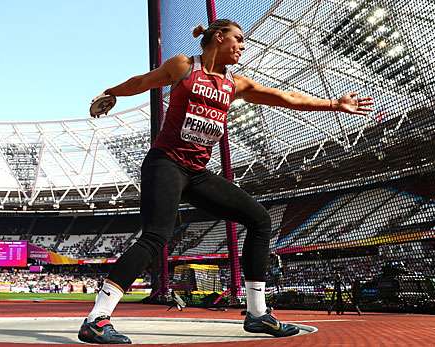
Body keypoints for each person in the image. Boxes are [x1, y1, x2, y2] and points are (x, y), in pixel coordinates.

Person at [78, 19, 373, 344]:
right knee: (156, 236)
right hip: (166, 163)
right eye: (239, 39)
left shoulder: (236, 84)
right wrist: (111, 93)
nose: (243, 47)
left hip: (197, 173)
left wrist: (334, 104)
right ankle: (97, 319)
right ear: (218, 37)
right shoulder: (184, 66)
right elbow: (144, 81)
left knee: (259, 219)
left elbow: (285, 97)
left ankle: (258, 314)